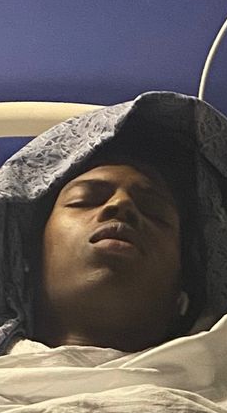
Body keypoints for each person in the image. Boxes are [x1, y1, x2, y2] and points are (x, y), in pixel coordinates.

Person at [31, 144, 198, 353]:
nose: (121, 203)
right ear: (27, 262)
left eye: (153, 211)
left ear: (182, 283)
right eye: (84, 200)